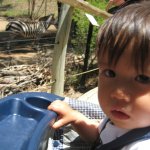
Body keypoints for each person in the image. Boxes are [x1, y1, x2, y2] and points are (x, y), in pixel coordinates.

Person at [48, 2, 150, 149]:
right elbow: (100, 137)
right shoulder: (120, 119)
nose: (118, 93)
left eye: (143, 78)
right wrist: (76, 119)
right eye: (110, 73)